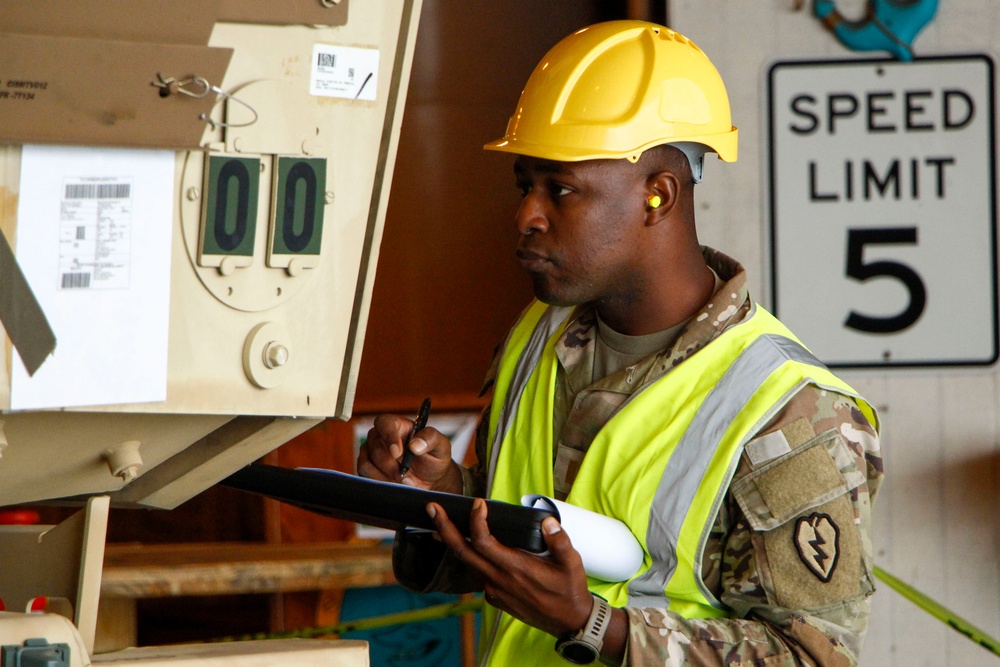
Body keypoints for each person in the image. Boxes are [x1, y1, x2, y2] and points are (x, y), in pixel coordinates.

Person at [358, 20, 882, 667]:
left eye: (561, 189)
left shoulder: (788, 407)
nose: (527, 215)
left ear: (657, 195)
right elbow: (511, 548)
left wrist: (595, 625)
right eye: (525, 184)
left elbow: (813, 658)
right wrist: (438, 493)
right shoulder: (538, 334)